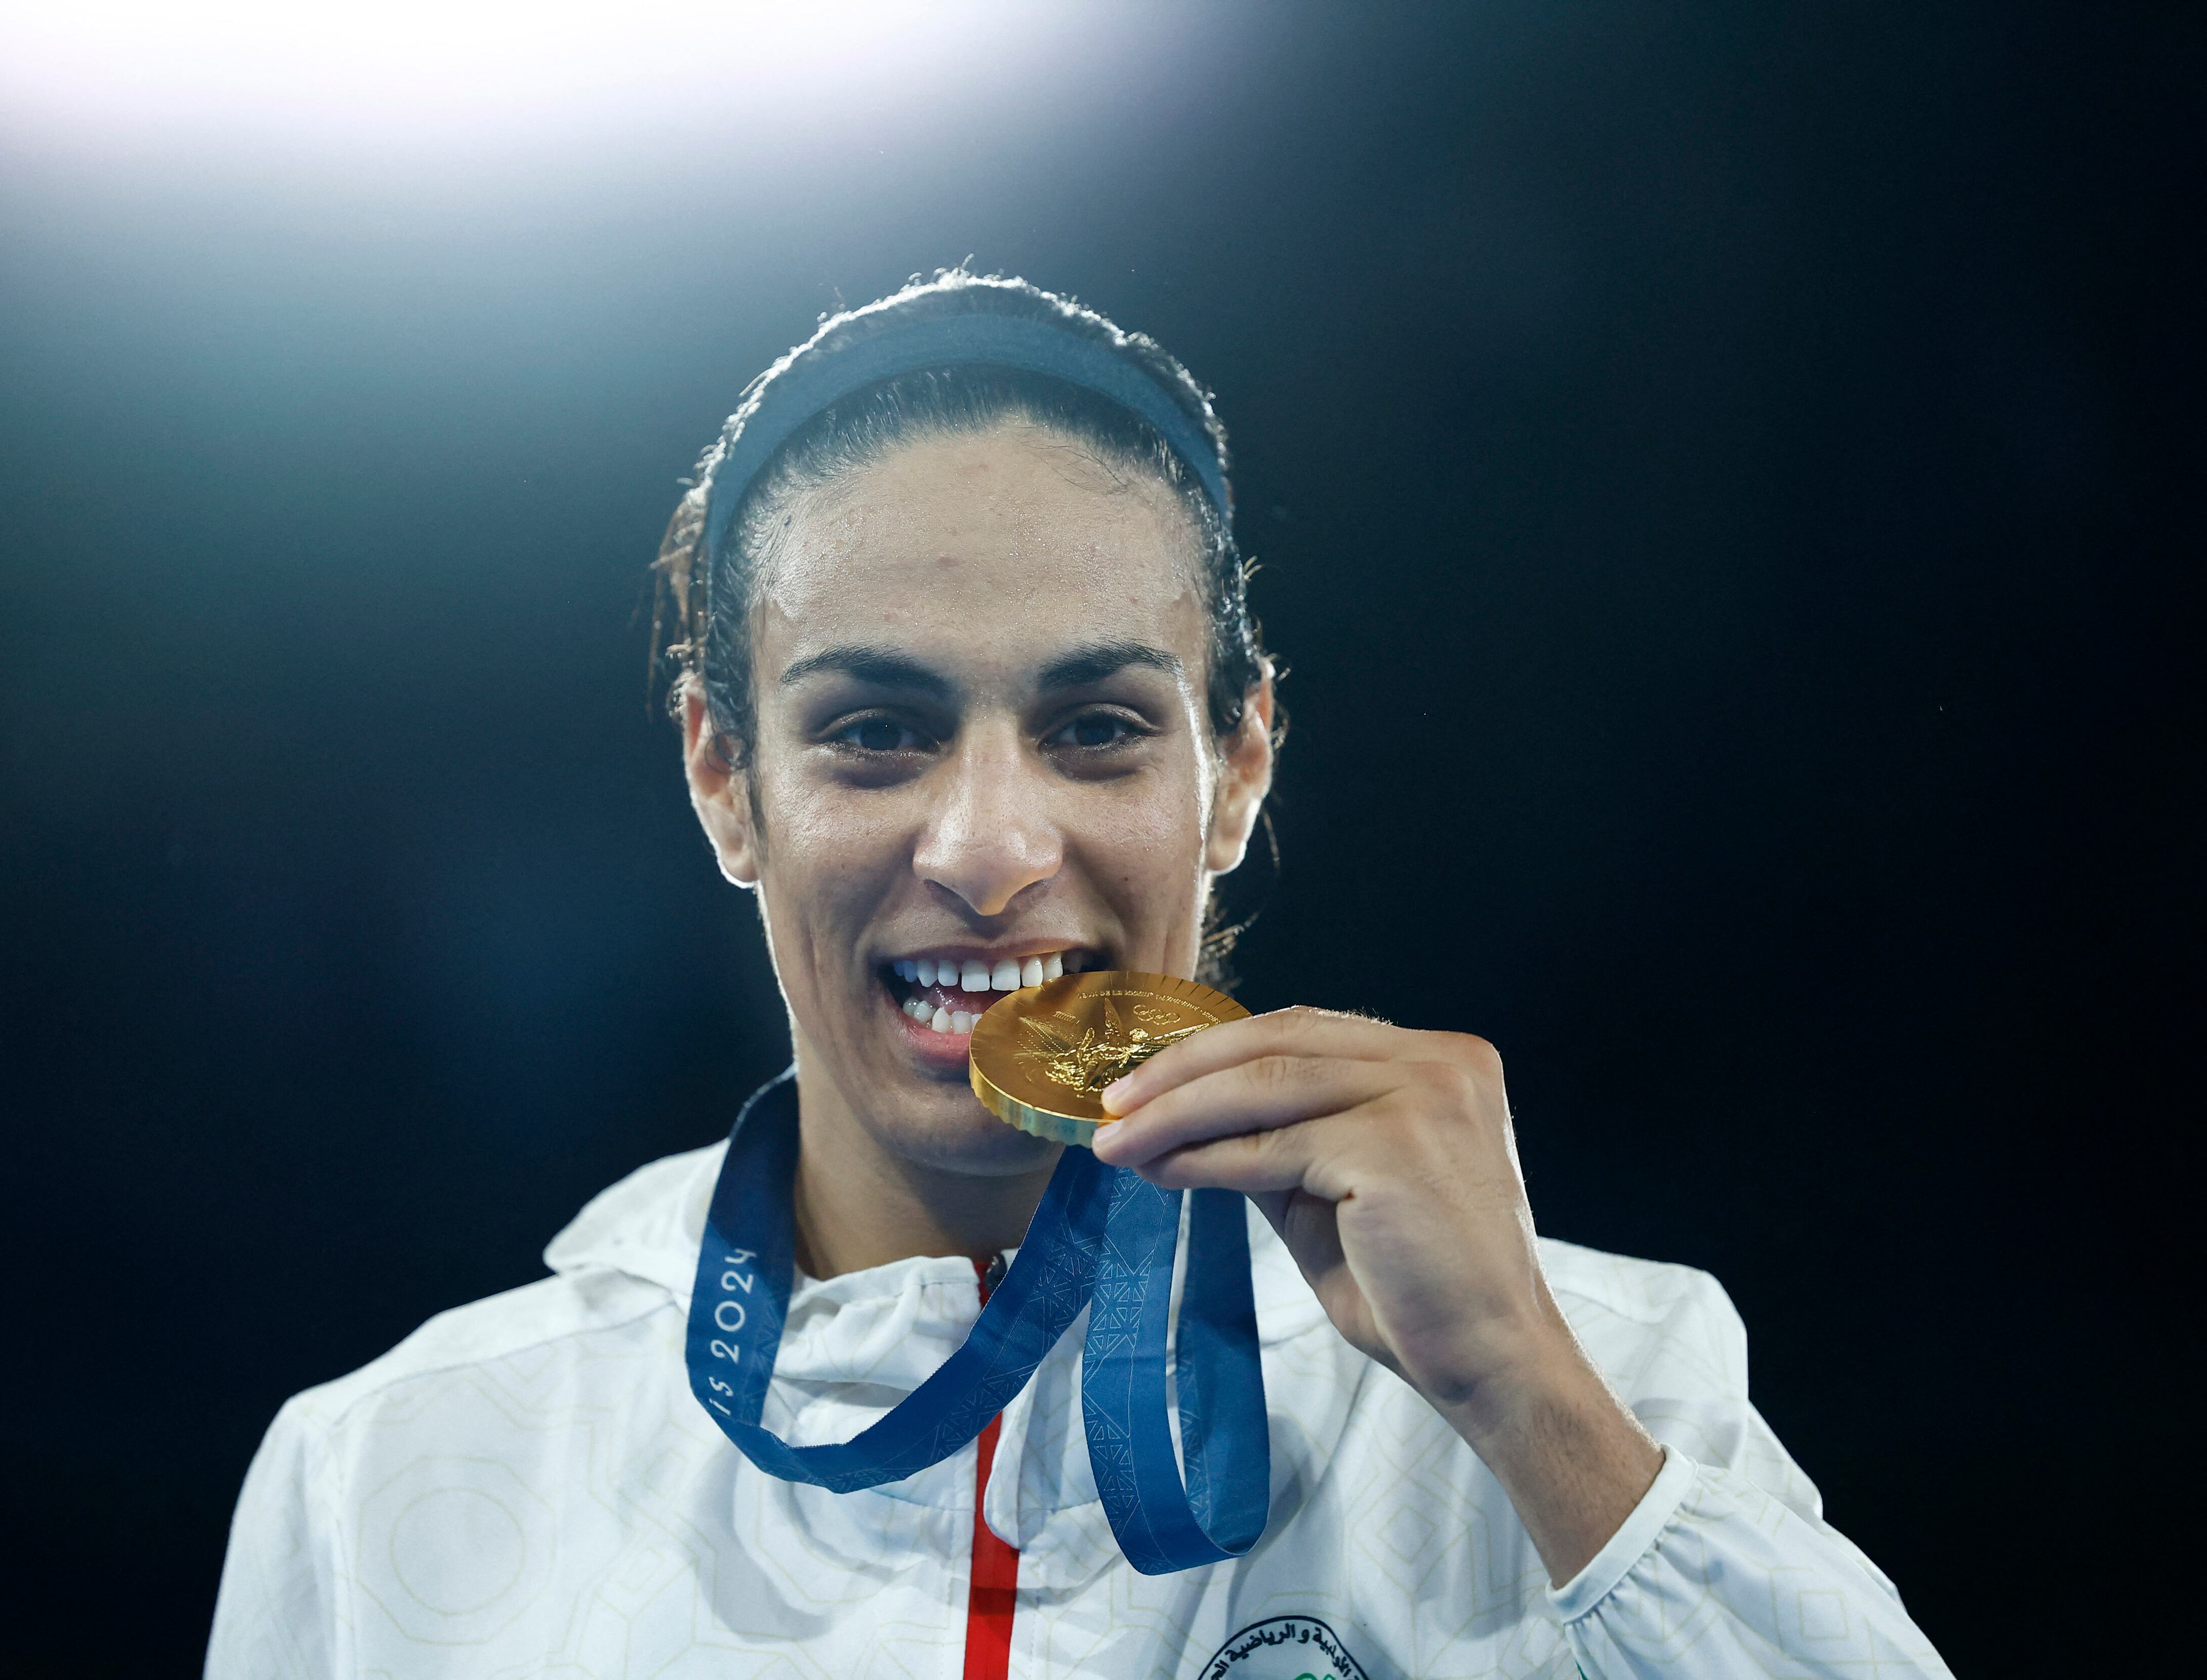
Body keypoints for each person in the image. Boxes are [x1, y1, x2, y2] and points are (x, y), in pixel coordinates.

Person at [206, 272, 1950, 1679]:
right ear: (723, 779)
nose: (983, 848)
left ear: (1241, 769)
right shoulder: (392, 1474)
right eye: (876, 732)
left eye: (1098, 728)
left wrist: (1529, 1404)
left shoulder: (1609, 1377)